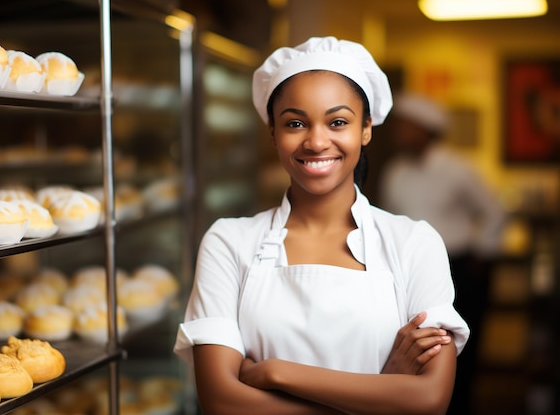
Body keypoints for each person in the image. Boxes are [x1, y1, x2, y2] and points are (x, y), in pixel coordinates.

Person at [174, 36, 469, 415]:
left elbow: (429, 401)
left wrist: (278, 373)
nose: (316, 141)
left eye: (338, 122)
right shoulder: (229, 242)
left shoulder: (415, 243)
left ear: (365, 129)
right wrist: (383, 393)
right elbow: (222, 402)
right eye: (295, 123)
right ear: (273, 134)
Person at [379, 93, 507, 415]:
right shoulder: (396, 172)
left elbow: (495, 213)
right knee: (417, 346)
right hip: (408, 271)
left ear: (426, 129)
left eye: (407, 127)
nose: (400, 133)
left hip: (460, 267)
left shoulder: (458, 169)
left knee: (459, 349)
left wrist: (482, 254)